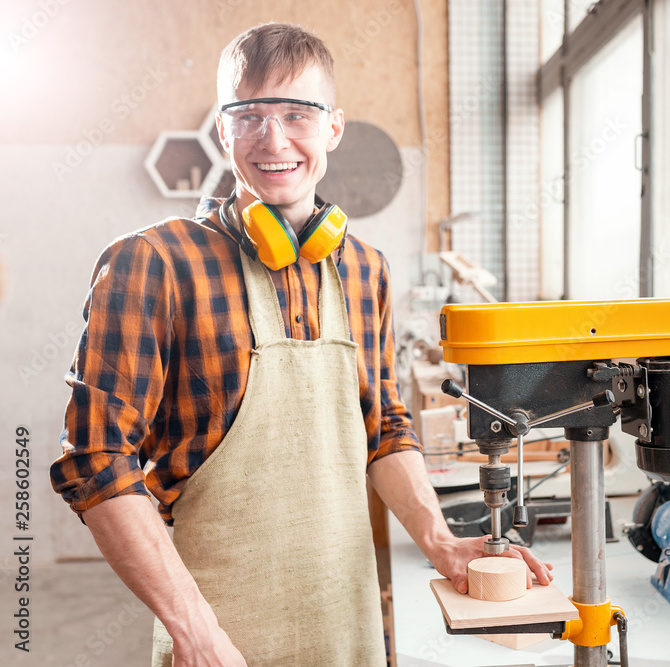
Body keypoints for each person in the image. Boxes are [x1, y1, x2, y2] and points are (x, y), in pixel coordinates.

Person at [50, 22, 552, 666]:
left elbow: (386, 429)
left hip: (347, 626)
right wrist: (196, 636)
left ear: (334, 128)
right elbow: (97, 460)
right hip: (214, 635)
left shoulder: (365, 268)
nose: (274, 138)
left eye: (297, 113)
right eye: (249, 115)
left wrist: (441, 540)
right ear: (222, 129)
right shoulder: (151, 263)